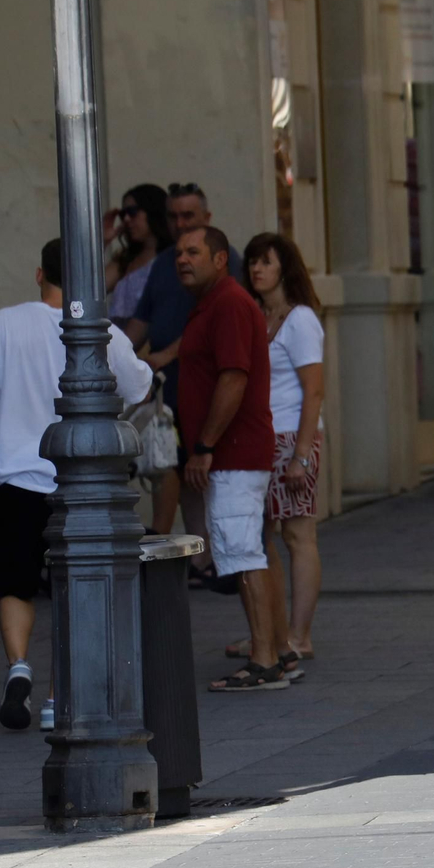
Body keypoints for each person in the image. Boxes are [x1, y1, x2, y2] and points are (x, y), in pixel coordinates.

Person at [0, 239, 152, 731]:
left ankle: (18, 665)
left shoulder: (5, 323)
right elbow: (137, 387)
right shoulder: (99, 329)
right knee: (72, 588)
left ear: (39, 273)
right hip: (79, 481)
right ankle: (54, 701)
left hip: (17, 479)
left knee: (14, 583)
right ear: (88, 278)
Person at [175, 226, 288, 691]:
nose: (182, 259)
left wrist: (205, 446)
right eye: (179, 252)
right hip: (233, 454)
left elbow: (234, 379)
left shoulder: (228, 304)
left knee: (243, 552)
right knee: (244, 551)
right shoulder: (215, 304)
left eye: (193, 252)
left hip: (234, 454)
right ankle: (273, 653)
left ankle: (264, 661)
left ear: (220, 258)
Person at [123, 182, 245, 581]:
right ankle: (200, 558)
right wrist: (116, 357)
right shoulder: (162, 264)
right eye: (173, 217)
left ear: (207, 220)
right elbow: (140, 324)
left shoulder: (229, 267)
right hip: (168, 394)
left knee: (213, 473)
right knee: (177, 470)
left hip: (213, 392)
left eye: (188, 217)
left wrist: (169, 352)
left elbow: (214, 324)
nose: (179, 224)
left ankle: (229, 561)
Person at [241, 232, 326, 667]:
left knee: (298, 534)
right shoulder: (257, 316)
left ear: (284, 268)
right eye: (253, 261)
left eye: (266, 262)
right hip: (262, 435)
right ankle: (269, 631)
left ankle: (299, 634)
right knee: (262, 534)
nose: (257, 269)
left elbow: (314, 391)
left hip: (293, 435)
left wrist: (303, 455)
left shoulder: (301, 320)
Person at [103, 184, 172, 328]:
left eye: (132, 212)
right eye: (123, 214)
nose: (126, 219)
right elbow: (92, 289)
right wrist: (102, 241)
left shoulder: (172, 256)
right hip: (116, 342)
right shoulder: (125, 258)